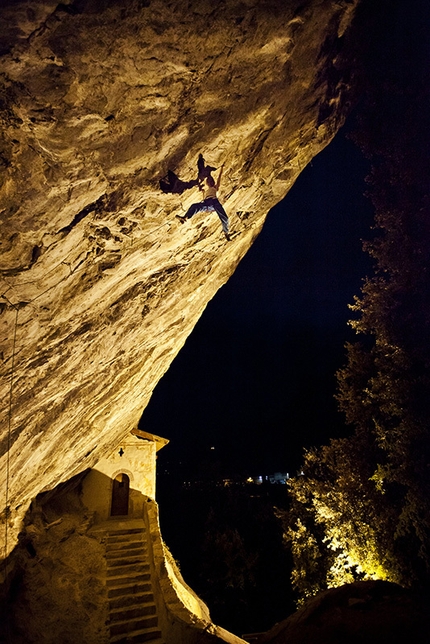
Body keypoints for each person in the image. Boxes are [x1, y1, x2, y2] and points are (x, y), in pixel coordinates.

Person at [177, 165, 231, 241]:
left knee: (224, 217)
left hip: (214, 202)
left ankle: (226, 232)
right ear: (207, 183)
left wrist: (221, 169)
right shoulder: (206, 191)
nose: (210, 182)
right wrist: (201, 189)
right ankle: (185, 217)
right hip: (207, 203)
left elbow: (219, 178)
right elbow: (204, 197)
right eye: (209, 181)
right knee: (194, 206)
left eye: (211, 181)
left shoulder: (215, 187)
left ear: (213, 182)